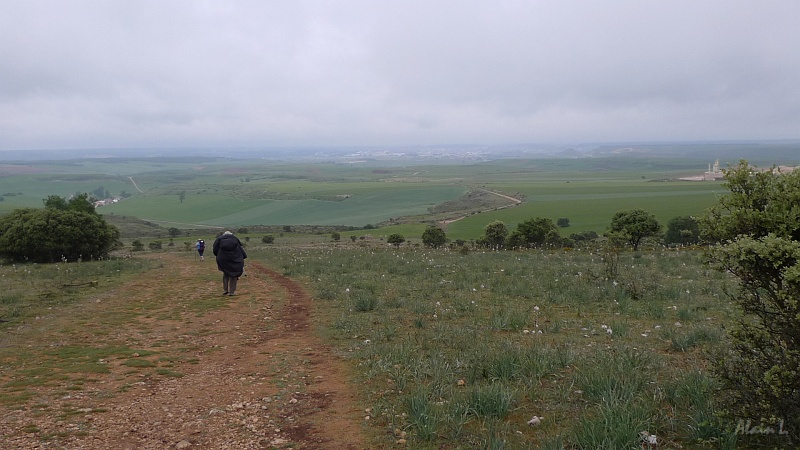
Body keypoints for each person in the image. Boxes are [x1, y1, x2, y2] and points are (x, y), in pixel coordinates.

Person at [212, 231, 247, 296]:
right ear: (231, 234)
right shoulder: (235, 238)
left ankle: (225, 290)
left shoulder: (219, 239)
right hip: (234, 258)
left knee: (226, 273)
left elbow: (215, 250)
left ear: (224, 234)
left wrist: (218, 255)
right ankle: (232, 292)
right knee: (233, 275)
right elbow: (240, 248)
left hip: (223, 258)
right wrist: (244, 256)